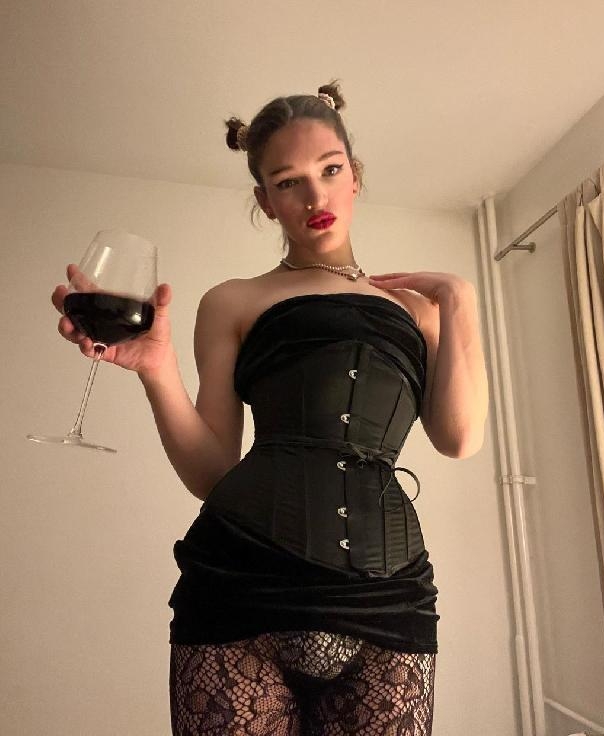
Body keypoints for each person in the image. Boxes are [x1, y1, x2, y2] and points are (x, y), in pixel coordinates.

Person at [52, 82, 475, 735]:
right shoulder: (233, 301)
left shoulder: (422, 310)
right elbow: (212, 470)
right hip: (241, 585)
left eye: (330, 170)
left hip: (389, 599)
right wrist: (156, 368)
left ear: (355, 175)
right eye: (288, 182)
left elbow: (459, 436)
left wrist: (460, 299)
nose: (315, 197)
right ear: (264, 200)